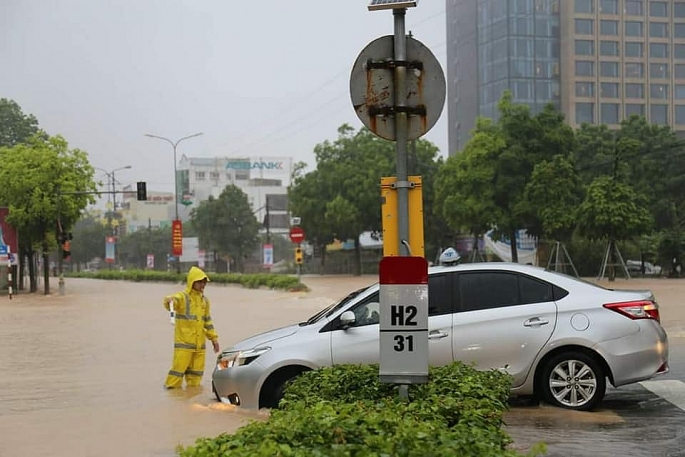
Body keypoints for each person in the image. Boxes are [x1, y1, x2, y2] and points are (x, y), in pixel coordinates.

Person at [163, 266, 220, 389]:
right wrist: (169, 300)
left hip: (200, 346)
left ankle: (191, 399)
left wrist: (214, 339)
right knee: (176, 374)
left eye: (204, 282)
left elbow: (207, 321)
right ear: (192, 282)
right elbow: (172, 302)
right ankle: (172, 396)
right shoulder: (183, 297)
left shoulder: (205, 301)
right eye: (200, 282)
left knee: (196, 378)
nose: (203, 285)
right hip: (184, 345)